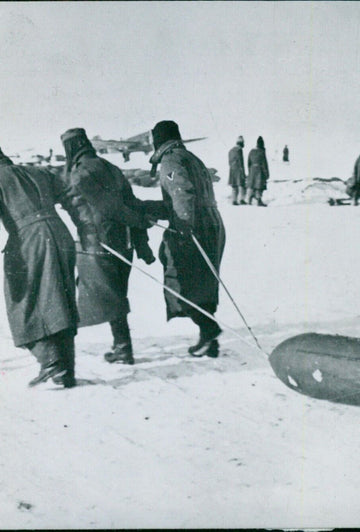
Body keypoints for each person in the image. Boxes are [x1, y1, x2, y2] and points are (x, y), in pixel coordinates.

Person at [0, 140, 89, 388]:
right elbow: (73, 197)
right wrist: (86, 229)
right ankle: (65, 371)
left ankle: (50, 362)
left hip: (28, 242)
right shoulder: (38, 172)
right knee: (62, 300)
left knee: (22, 303)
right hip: (60, 235)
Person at [60, 128, 155, 365]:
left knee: (109, 297)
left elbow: (109, 207)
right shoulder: (111, 167)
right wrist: (142, 242)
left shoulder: (82, 173)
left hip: (100, 242)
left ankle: (123, 348)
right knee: (117, 294)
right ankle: (122, 346)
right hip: (124, 241)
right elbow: (131, 203)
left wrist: (139, 222)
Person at [146, 120, 226, 357]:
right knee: (204, 281)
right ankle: (209, 341)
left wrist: (183, 228)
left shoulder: (170, 160)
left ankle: (209, 329)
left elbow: (182, 193)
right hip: (211, 223)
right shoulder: (191, 157)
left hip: (194, 225)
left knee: (182, 279)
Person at [247, 136, 270, 206]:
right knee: (259, 186)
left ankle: (250, 199)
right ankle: (259, 200)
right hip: (260, 171)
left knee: (252, 185)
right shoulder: (262, 152)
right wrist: (266, 173)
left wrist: (250, 171)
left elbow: (248, 162)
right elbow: (264, 163)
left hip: (252, 170)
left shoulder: (251, 151)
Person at [228, 136, 247, 205]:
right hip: (238, 169)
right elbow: (241, 161)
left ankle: (234, 200)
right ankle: (241, 199)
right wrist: (243, 172)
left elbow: (229, 162)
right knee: (241, 185)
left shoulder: (231, 150)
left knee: (234, 185)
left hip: (232, 170)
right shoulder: (239, 150)